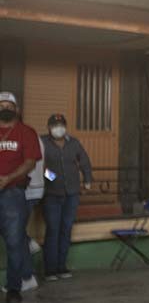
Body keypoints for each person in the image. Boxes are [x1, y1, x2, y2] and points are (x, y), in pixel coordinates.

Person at [41, 113, 92, 282]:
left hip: (72, 194)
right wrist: (53, 179)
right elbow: (38, 167)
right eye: (55, 125)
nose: (58, 128)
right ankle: (50, 269)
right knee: (53, 230)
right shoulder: (42, 143)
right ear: (49, 128)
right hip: (51, 195)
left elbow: (84, 161)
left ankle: (62, 267)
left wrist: (87, 181)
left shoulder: (74, 143)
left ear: (65, 126)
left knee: (66, 230)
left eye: (61, 124)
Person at [0, 92, 41, 303]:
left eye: (9, 105)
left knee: (15, 242)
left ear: (17, 109)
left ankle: (14, 287)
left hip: (13, 193)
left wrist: (7, 178)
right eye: (1, 104)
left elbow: (30, 163)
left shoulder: (26, 132)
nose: (5, 108)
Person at [19, 138, 45, 292]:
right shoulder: (42, 141)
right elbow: (47, 169)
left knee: (16, 234)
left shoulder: (73, 145)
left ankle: (28, 277)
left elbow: (47, 170)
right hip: (36, 189)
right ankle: (29, 242)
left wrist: (55, 182)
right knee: (16, 233)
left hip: (27, 190)